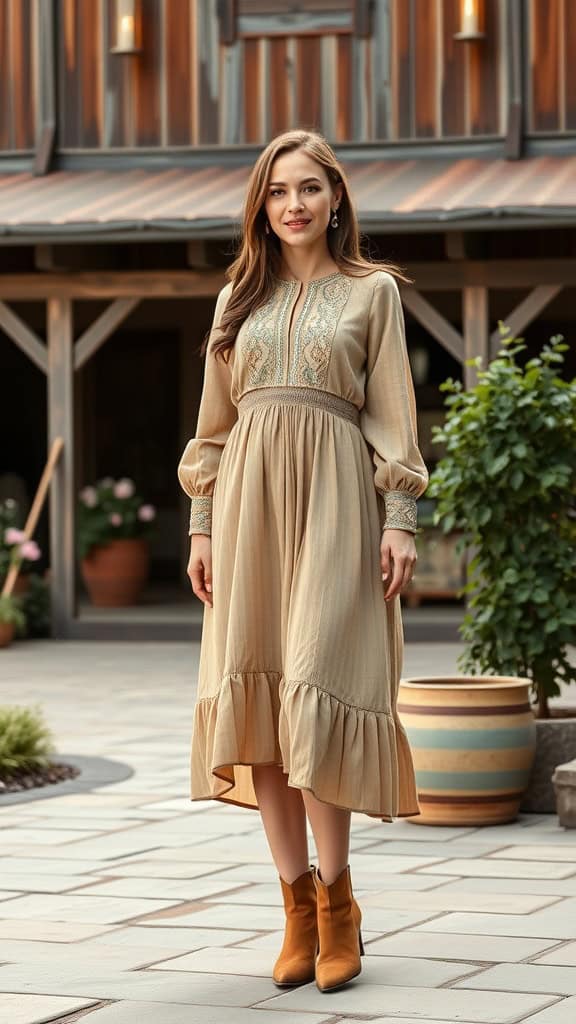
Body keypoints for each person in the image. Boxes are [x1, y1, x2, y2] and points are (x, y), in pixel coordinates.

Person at [177, 129, 429, 993]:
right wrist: (201, 526)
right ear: (262, 203)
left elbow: (392, 414)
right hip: (246, 507)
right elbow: (212, 428)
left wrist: (399, 516)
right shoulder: (236, 300)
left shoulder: (373, 294)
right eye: (279, 190)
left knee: (316, 690)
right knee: (263, 703)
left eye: (309, 188)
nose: (294, 204)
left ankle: (339, 902)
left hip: (334, 509)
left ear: (335, 199)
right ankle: (293, 907)